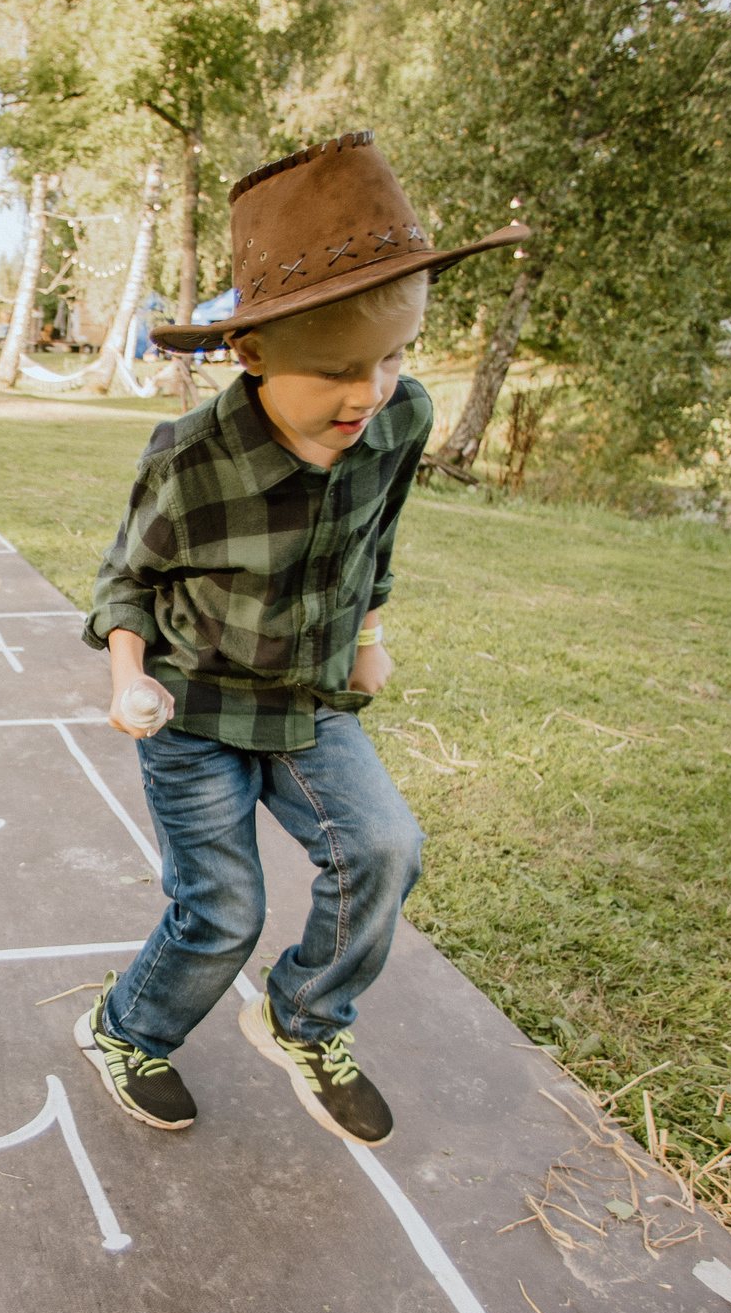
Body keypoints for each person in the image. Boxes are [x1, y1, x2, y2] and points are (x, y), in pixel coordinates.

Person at [72, 132, 527, 1141]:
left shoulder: (397, 421)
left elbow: (378, 536)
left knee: (384, 846)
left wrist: (367, 629)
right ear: (253, 352)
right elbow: (126, 580)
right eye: (334, 370)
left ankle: (303, 1016)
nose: (367, 391)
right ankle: (122, 1027)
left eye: (393, 354)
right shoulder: (189, 461)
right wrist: (128, 673)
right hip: (195, 712)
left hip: (308, 701)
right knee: (223, 910)